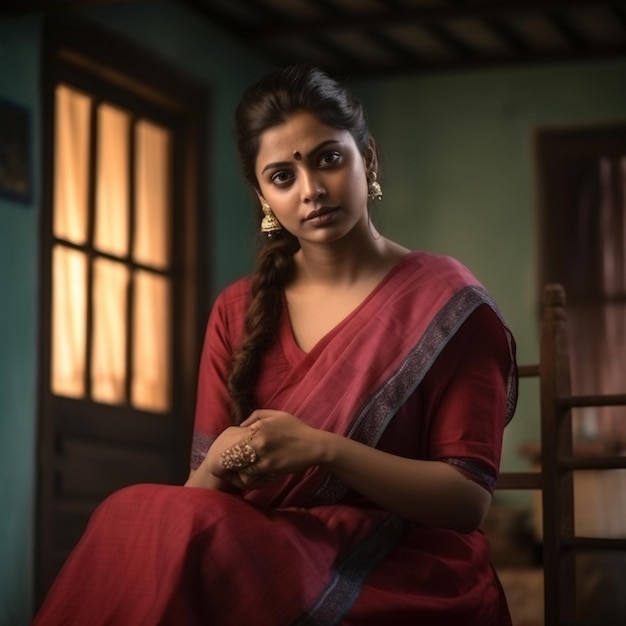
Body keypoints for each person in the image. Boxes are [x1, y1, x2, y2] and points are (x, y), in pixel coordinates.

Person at [32, 64, 518, 626]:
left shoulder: (446, 302)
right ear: (263, 194)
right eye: (282, 176)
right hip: (264, 547)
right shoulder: (237, 311)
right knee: (131, 515)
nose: (311, 190)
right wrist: (222, 459)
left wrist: (322, 448)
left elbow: (467, 499)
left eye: (328, 159)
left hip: (403, 566)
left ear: (369, 157)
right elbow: (202, 493)